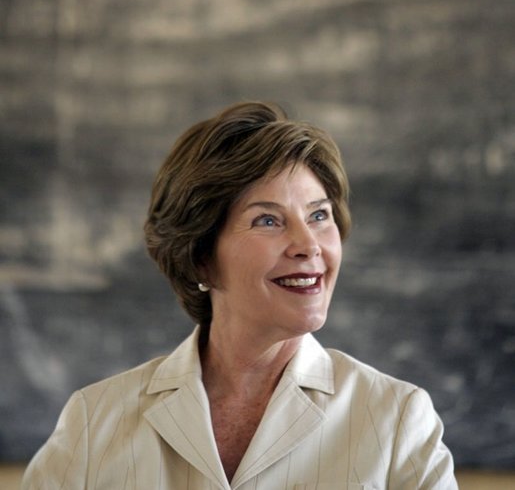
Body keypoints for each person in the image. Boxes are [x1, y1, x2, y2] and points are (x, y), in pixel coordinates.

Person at [22, 101, 458, 489]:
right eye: (268, 221)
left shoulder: (398, 419)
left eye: (319, 215)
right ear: (200, 257)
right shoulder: (93, 422)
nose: (309, 245)